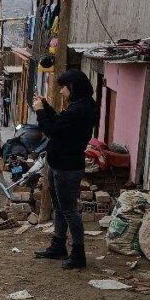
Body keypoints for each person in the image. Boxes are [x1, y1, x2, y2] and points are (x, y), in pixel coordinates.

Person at [32, 70, 100, 269]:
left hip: (67, 167)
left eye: (63, 87)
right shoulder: (80, 106)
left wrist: (40, 112)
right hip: (59, 163)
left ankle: (78, 253)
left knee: (69, 210)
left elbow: (52, 130)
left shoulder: (79, 110)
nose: (61, 91)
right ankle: (58, 245)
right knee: (60, 208)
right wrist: (46, 107)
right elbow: (60, 124)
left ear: (72, 87)